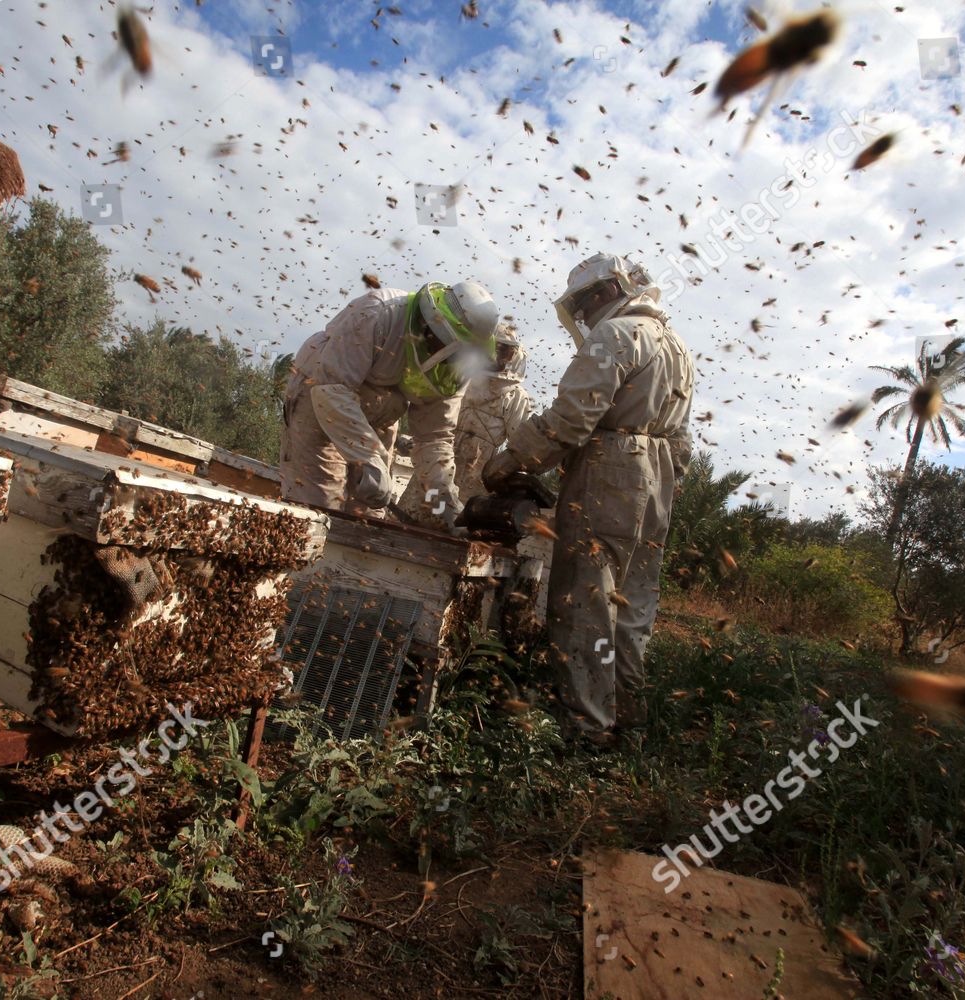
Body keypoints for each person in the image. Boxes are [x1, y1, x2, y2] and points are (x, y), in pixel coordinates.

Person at [483, 253, 694, 745]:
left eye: (585, 300)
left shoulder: (616, 335)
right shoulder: (677, 346)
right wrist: (660, 483)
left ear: (605, 292)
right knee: (633, 604)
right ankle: (628, 722)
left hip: (611, 468)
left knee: (587, 601)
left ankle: (586, 730)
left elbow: (569, 420)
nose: (582, 312)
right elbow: (682, 440)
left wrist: (512, 459)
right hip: (659, 476)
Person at [280, 281, 499, 529]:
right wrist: (368, 456)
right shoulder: (378, 312)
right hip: (320, 395)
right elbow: (331, 389)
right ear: (436, 326)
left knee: (369, 516)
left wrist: (444, 506)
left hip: (379, 416)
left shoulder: (452, 372)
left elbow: (433, 441)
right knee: (318, 508)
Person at [397, 323, 532, 517]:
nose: (503, 357)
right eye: (499, 350)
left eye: (508, 352)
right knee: (417, 515)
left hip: (476, 475)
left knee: (456, 524)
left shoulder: (516, 396)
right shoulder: (459, 378)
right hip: (438, 461)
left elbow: (520, 444)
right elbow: (433, 418)